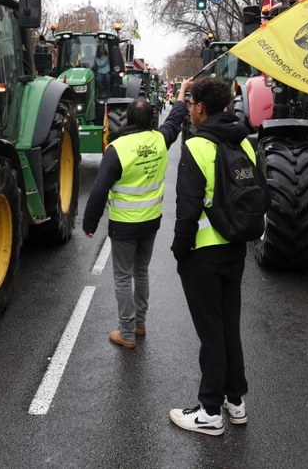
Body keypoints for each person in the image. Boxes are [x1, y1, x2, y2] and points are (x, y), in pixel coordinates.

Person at [168, 76, 259, 437]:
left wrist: (180, 251)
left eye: (191, 104)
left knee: (211, 335)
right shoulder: (245, 142)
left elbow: (187, 211)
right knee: (228, 328)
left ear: (201, 108)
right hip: (235, 250)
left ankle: (209, 412)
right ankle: (235, 402)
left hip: (202, 255)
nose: (190, 110)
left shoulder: (196, 147)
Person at [82, 78, 192, 349]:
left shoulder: (118, 149)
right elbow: (175, 118)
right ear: (151, 120)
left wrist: (90, 223)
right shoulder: (160, 139)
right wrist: (182, 91)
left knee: (122, 276)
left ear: (128, 119)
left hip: (124, 226)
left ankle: (127, 333)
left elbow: (99, 190)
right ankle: (140, 325)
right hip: (151, 222)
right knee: (141, 271)